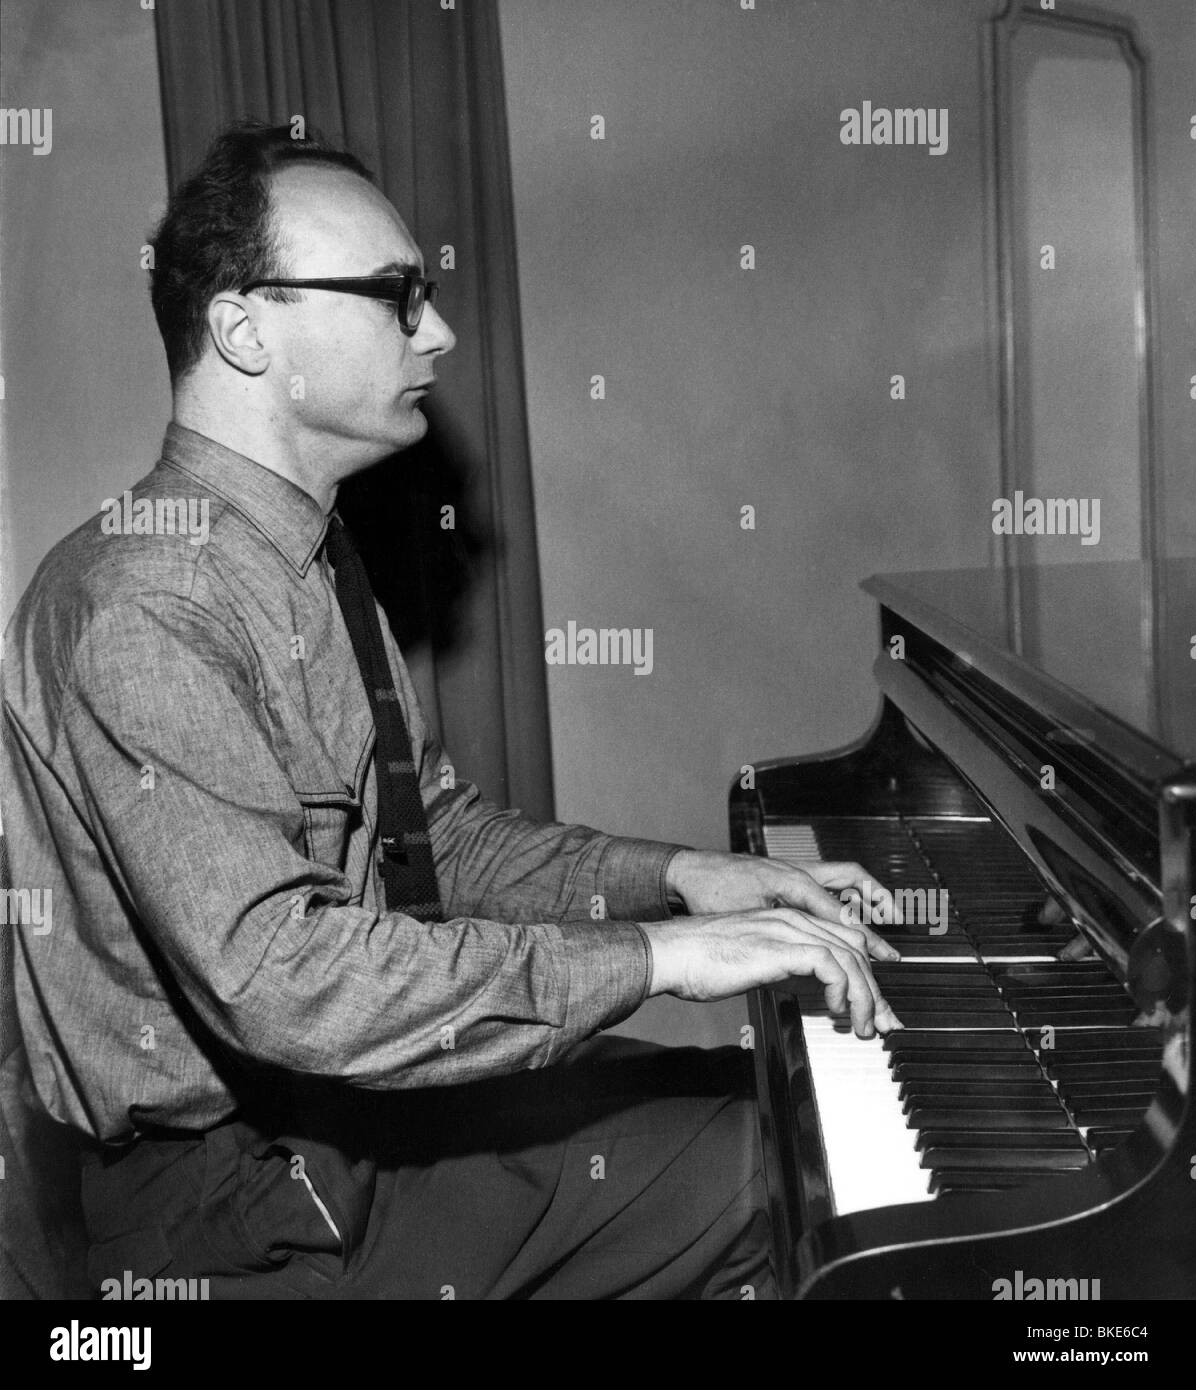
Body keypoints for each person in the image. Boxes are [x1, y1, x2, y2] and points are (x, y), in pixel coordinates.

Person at [0, 122, 900, 1300]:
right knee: (800, 1177)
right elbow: (287, 982)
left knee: (800, 1140)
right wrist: (661, 959)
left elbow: (438, 843)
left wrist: (680, 880)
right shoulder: (143, 605)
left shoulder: (304, 554)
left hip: (341, 1125)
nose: (440, 331)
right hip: (238, 1214)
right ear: (242, 327)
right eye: (394, 295)